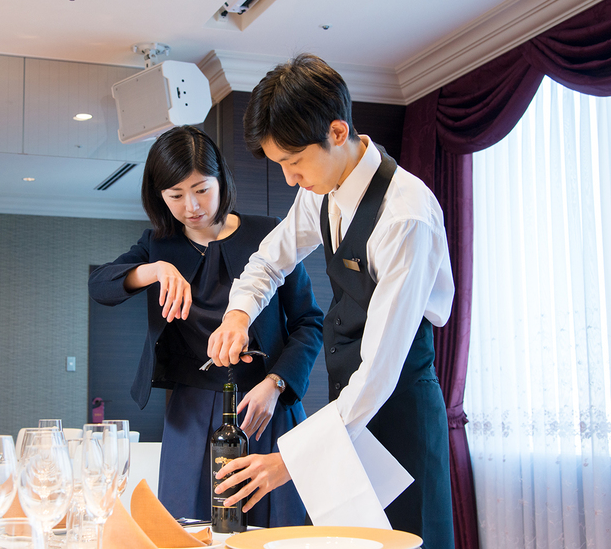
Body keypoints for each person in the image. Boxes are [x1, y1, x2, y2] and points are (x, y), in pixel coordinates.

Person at [207, 54, 456, 548]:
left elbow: (381, 368)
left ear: (337, 132)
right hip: (348, 409)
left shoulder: (406, 216)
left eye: (294, 161)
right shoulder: (320, 190)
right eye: (280, 164)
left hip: (399, 407)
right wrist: (238, 314)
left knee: (412, 540)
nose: (289, 178)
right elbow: (271, 260)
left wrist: (291, 460)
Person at [88, 125, 323, 527]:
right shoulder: (158, 245)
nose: (192, 206)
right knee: (186, 529)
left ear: (221, 181)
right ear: (159, 196)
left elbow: (309, 322)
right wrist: (154, 269)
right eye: (176, 195)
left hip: (264, 406)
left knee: (274, 529)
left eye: (201, 189)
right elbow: (100, 285)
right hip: (191, 412)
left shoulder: (269, 234)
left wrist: (276, 383)